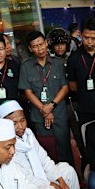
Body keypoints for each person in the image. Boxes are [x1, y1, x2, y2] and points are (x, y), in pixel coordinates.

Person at [0, 100, 82, 189]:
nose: (20, 126)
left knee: (68, 171)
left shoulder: (28, 133)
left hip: (41, 175)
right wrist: (52, 184)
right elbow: (25, 178)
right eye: (14, 123)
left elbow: (44, 159)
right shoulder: (6, 145)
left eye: (22, 120)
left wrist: (60, 180)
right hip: (27, 184)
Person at [19, 30, 74, 166]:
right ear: (30, 49)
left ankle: (71, 177)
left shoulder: (58, 63)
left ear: (46, 43)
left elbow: (65, 88)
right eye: (35, 46)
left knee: (64, 147)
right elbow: (28, 91)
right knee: (45, 149)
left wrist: (51, 106)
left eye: (41, 44)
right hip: (39, 115)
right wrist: (44, 109)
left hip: (59, 113)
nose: (40, 48)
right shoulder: (26, 66)